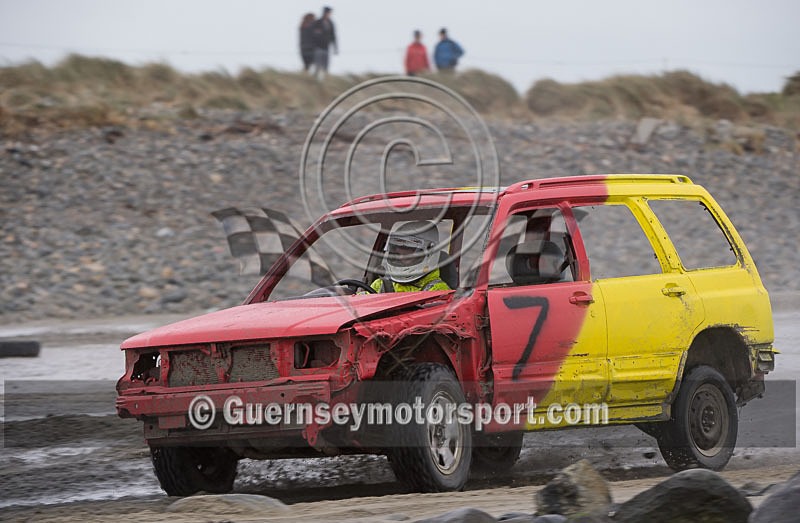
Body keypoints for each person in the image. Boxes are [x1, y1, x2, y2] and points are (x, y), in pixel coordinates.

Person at [369, 221, 451, 293]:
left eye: (407, 254)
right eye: (396, 253)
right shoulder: (379, 285)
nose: (400, 258)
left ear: (430, 253)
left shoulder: (438, 290)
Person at [310, 6, 337, 80]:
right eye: (329, 13)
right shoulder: (317, 22)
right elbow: (312, 35)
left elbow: (333, 36)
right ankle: (315, 80)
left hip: (326, 48)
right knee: (317, 65)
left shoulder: (331, 23)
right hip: (318, 48)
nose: (329, 14)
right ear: (325, 13)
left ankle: (325, 80)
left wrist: (335, 47)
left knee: (326, 66)